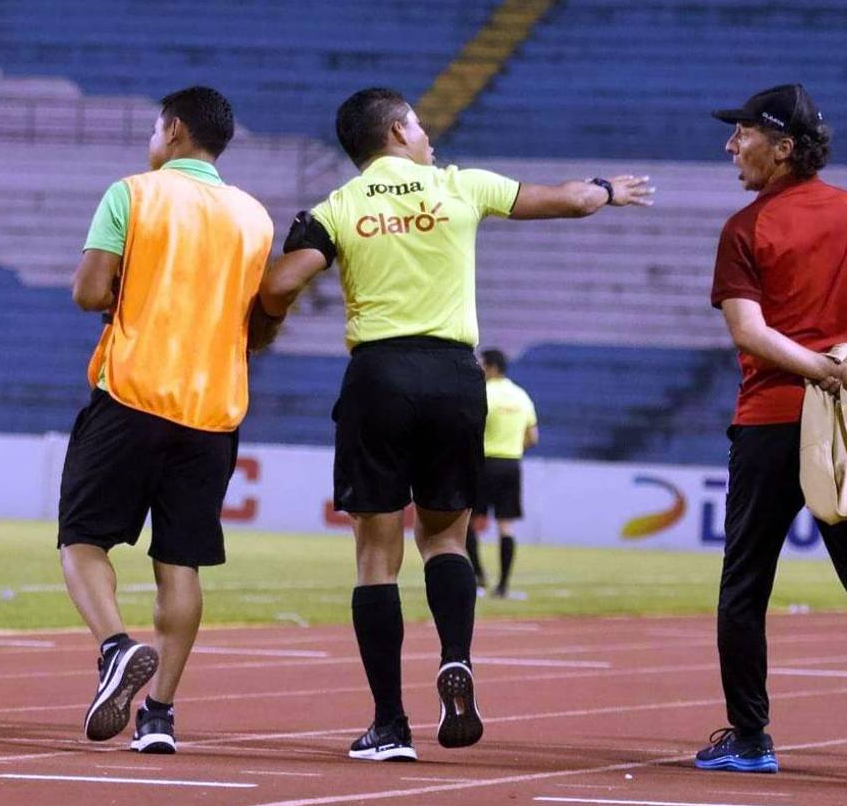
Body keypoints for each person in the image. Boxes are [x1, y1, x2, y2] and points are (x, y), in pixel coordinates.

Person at [254, 87, 653, 761]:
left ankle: (388, 725)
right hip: (452, 377)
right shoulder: (458, 185)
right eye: (418, 122)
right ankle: (456, 657)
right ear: (398, 129)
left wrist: (277, 301)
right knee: (445, 541)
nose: (428, 132)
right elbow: (565, 200)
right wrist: (607, 189)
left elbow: (278, 286)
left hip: (379, 375)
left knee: (376, 558)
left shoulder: (337, 208)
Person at [696, 84, 847, 783]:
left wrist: (826, 371)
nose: (730, 145)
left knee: (745, 582)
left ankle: (750, 737)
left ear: (783, 149)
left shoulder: (747, 229)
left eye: (742, 133)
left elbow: (749, 331)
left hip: (775, 420)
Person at [58, 86, 273, 755]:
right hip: (212, 409)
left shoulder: (135, 193)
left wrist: (126, 295)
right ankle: (160, 717)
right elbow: (258, 326)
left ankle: (116, 647)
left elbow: (90, 291)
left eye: (155, 129)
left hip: (133, 393)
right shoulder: (254, 217)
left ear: (174, 131)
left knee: (83, 539)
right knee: (181, 563)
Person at [465, 348, 538, 598]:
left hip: (484, 463)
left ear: (492, 367)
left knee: (468, 522)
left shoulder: (483, 393)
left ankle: (478, 576)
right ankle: (503, 586)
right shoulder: (521, 396)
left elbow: (470, 428)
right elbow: (533, 437)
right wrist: (513, 447)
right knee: (506, 525)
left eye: (482, 365)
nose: (480, 369)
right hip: (510, 464)